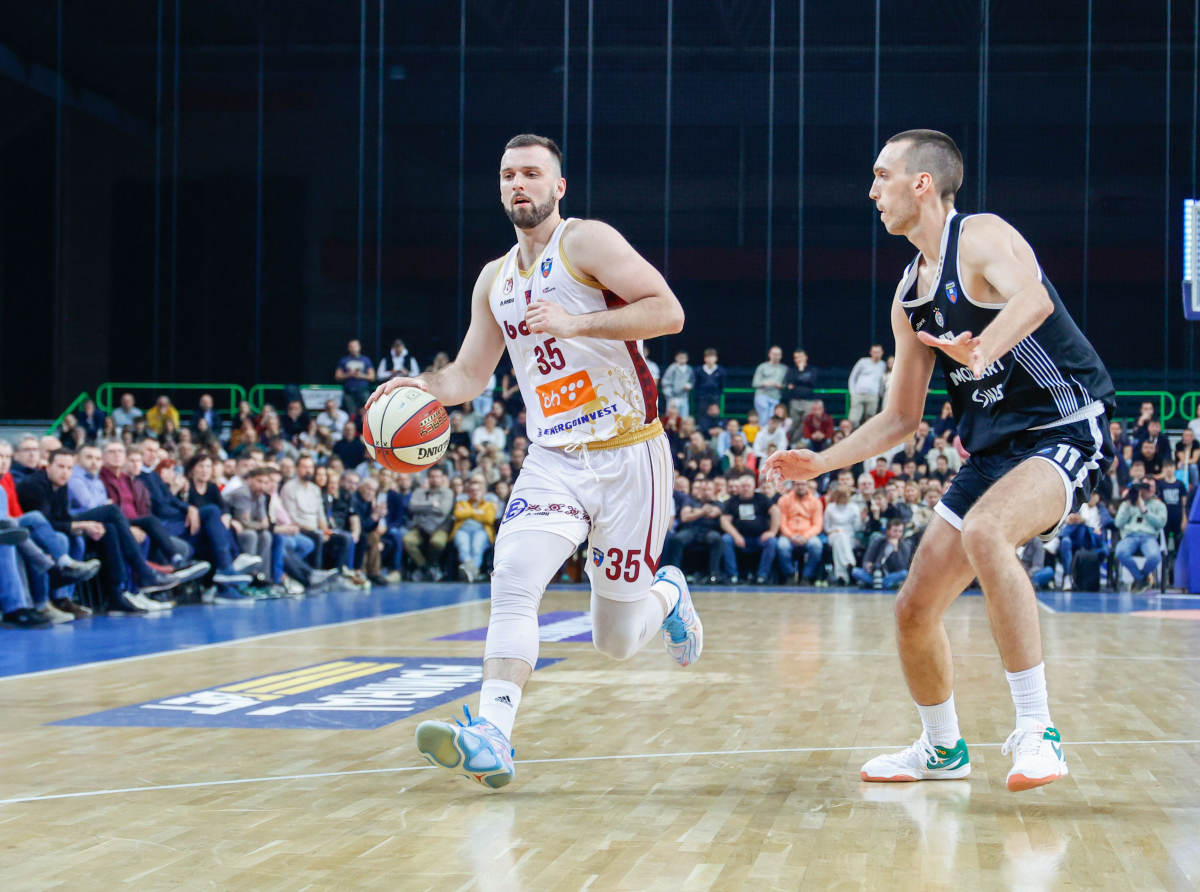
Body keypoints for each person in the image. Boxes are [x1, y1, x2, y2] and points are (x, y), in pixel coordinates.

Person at [765, 129, 1116, 792]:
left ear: (921, 182)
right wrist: (822, 462)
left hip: (1064, 427)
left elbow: (1034, 300)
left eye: (882, 175)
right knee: (913, 608)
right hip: (993, 451)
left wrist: (980, 349)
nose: (872, 190)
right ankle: (942, 749)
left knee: (987, 531)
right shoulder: (909, 294)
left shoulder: (979, 235)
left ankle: (1038, 730)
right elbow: (902, 417)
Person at [365, 133, 701, 789]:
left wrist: (578, 323)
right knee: (514, 580)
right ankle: (493, 734)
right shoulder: (494, 280)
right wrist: (416, 387)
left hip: (631, 455)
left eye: (531, 173)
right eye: (507, 175)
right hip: (553, 459)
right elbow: (468, 375)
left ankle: (667, 593)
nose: (518, 184)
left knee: (616, 641)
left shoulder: (587, 243)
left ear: (558, 186)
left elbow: (669, 312)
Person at [1114, 481, 1166, 592]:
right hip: (1130, 536)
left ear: (1155, 489)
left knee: (1154, 557)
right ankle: (1141, 579)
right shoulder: (1129, 503)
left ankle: (1140, 579)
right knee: (1120, 552)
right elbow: (1118, 523)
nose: (1148, 490)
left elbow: (1160, 523)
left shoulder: (1159, 505)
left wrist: (1144, 511)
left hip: (1149, 536)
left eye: (1150, 487)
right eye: (1145, 487)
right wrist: (1127, 504)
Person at [847, 345, 887, 427]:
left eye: (878, 352)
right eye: (874, 352)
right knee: (853, 420)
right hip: (858, 394)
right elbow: (852, 377)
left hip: (873, 396)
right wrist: (852, 393)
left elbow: (882, 381)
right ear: (870, 352)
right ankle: (852, 434)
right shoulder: (862, 362)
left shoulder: (883, 365)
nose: (876, 354)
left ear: (882, 353)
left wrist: (880, 394)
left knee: (870, 420)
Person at [335, 339, 376, 414]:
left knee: (366, 411)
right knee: (351, 413)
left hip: (363, 390)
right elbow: (337, 376)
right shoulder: (344, 360)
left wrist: (361, 376)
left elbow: (372, 377)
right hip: (348, 391)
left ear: (359, 347)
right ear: (348, 348)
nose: (353, 348)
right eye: (351, 346)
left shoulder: (366, 360)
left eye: (355, 346)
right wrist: (349, 374)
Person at [751, 346, 787, 424]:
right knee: (763, 416)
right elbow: (755, 383)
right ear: (769, 354)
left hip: (775, 397)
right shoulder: (762, 366)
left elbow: (786, 385)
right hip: (762, 395)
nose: (776, 356)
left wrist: (780, 386)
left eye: (778, 354)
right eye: (774, 354)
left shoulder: (784, 369)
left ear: (781, 356)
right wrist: (765, 383)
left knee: (773, 418)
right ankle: (762, 431)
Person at [660, 350, 695, 418]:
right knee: (671, 418)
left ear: (687, 359)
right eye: (680, 357)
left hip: (684, 397)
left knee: (684, 418)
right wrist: (670, 397)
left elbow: (692, 380)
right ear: (676, 358)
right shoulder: (672, 368)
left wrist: (689, 385)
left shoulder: (689, 369)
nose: (682, 359)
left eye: (684, 357)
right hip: (673, 398)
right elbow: (665, 382)